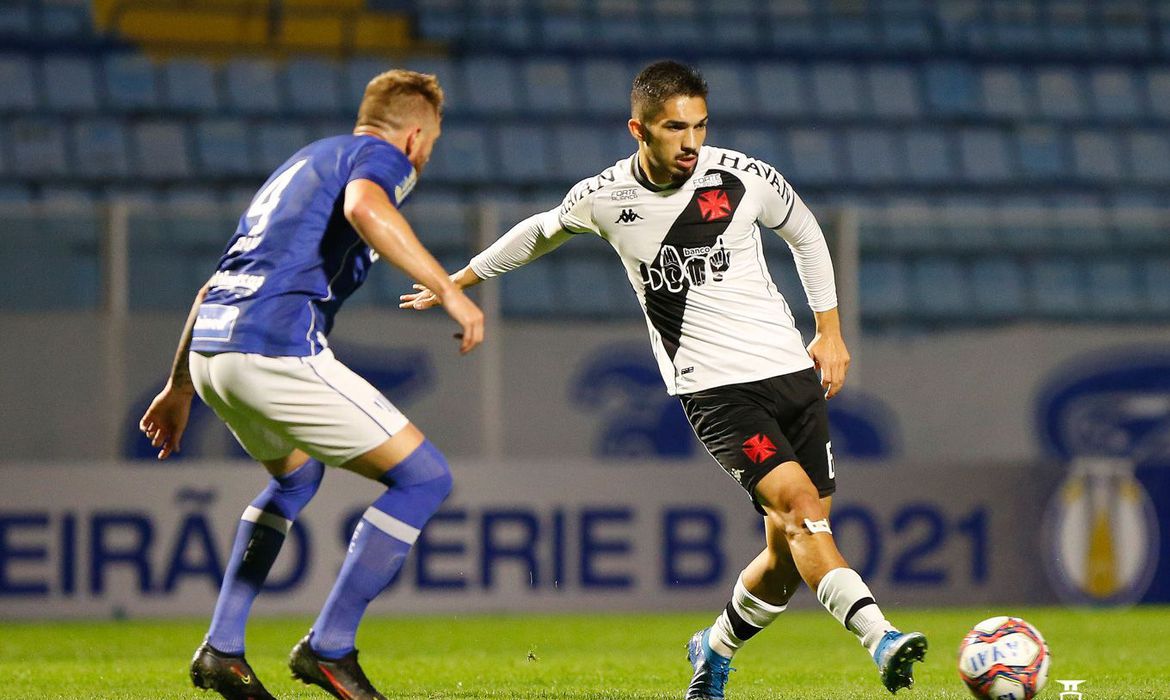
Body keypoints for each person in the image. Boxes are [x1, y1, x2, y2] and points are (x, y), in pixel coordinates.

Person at [401, 60, 926, 698]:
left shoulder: (742, 177)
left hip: (791, 373)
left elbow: (807, 234)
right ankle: (881, 637)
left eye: (700, 126)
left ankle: (714, 647)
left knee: (787, 557)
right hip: (716, 391)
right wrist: (456, 280)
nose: (691, 142)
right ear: (639, 129)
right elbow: (538, 232)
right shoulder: (605, 197)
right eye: (676, 128)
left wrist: (830, 330)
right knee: (802, 510)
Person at [138, 69, 484, 700]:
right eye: (430, 142)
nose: (426, 156)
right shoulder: (381, 160)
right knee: (425, 479)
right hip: (272, 346)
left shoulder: (303, 164)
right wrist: (450, 291)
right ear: (413, 136)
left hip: (214, 349)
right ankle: (330, 648)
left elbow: (215, 282)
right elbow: (364, 208)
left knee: (296, 479)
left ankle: (222, 648)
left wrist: (180, 386)